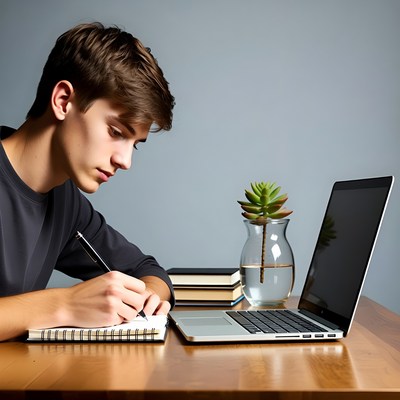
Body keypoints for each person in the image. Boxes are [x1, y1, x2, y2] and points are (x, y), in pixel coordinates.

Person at [0, 22, 175, 341]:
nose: (125, 161)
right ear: (63, 100)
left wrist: (147, 297)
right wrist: (64, 304)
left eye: (134, 144)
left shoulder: (64, 203)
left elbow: (148, 270)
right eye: (116, 132)